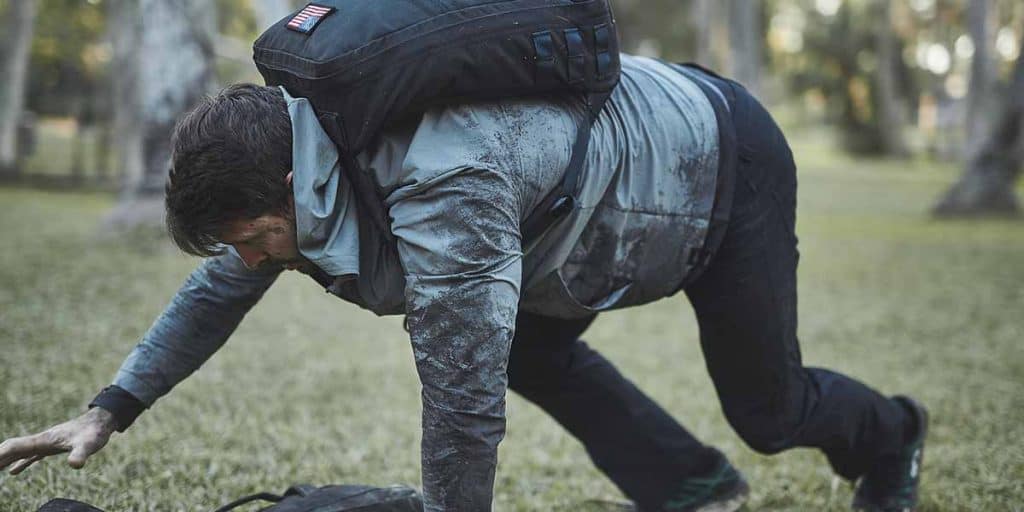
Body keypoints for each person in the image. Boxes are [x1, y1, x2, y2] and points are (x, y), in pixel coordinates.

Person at [0, 55, 927, 512]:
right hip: (582, 213)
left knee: (769, 411)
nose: (249, 259)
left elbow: (460, 402)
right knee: (527, 348)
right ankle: (692, 486)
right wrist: (111, 406)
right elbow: (219, 286)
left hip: (715, 167)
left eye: (252, 237)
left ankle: (892, 434)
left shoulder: (447, 185)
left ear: (289, 184)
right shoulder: (297, 138)